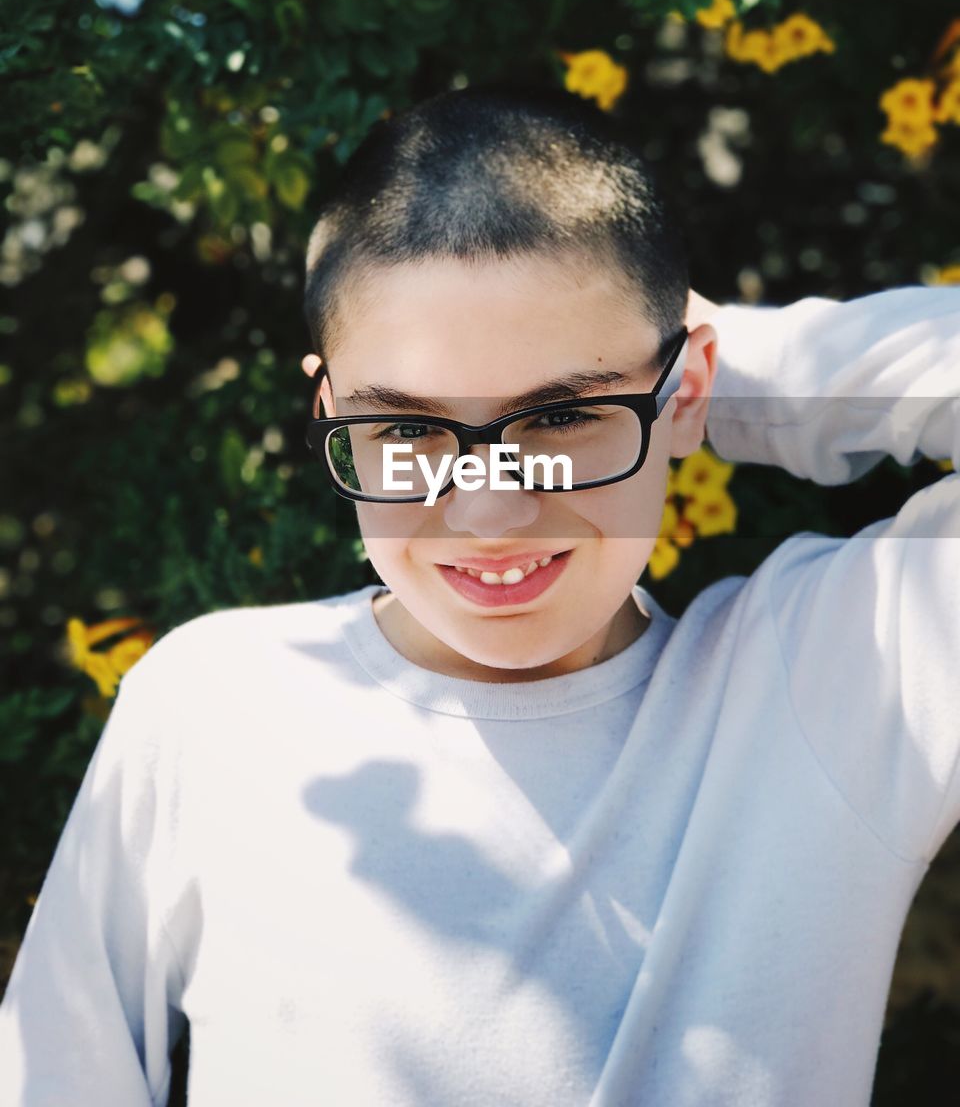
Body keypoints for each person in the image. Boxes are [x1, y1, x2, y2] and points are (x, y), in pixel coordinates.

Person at [1, 82, 958, 1107]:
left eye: (558, 418)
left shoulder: (838, 684)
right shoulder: (212, 699)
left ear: (683, 391)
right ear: (331, 411)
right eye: (408, 428)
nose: (489, 515)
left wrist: (714, 373)